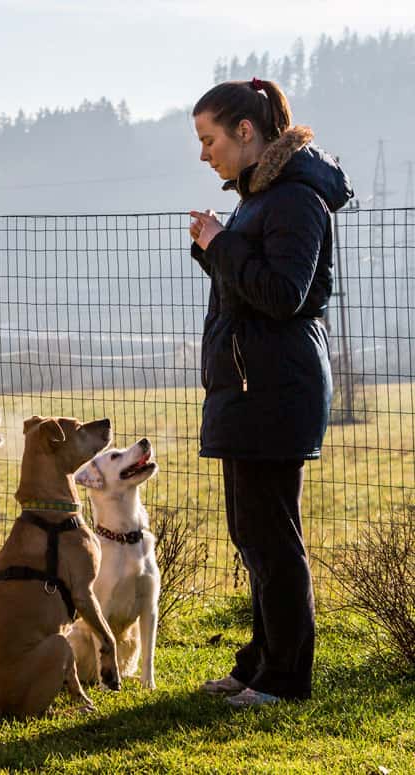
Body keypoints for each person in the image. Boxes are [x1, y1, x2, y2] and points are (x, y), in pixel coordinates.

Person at [187, 78, 353, 707]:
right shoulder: (259, 197)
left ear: (246, 132)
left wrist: (220, 244)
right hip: (249, 386)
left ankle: (285, 680)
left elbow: (284, 295)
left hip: (276, 391)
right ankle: (258, 665)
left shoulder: (293, 200)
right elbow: (252, 288)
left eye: (210, 139)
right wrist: (216, 250)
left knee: (271, 539)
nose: (205, 155)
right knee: (253, 534)